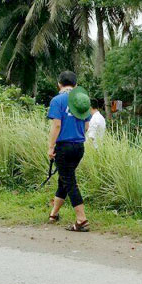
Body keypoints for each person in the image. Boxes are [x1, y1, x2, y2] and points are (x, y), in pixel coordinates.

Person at [46, 71, 92, 232]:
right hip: (79, 146)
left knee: (69, 181)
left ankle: (81, 220)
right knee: (64, 179)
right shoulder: (82, 100)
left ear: (59, 84)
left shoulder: (57, 100)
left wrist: (51, 147)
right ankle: (53, 214)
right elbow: (87, 126)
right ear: (76, 85)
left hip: (64, 146)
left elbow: (56, 125)